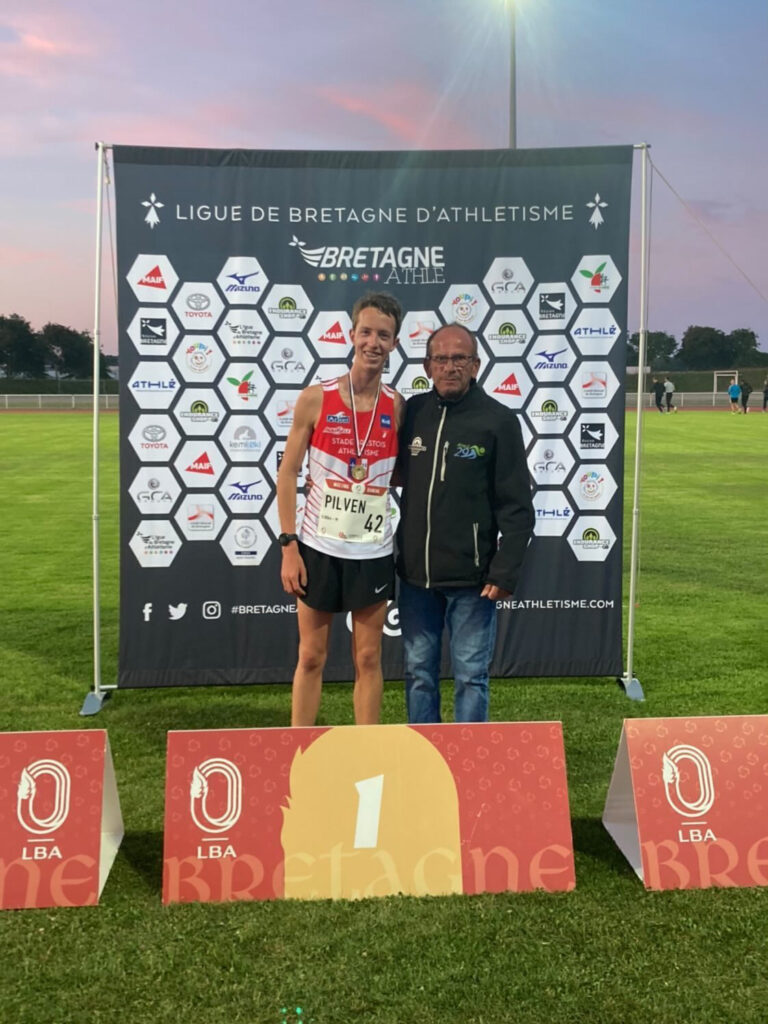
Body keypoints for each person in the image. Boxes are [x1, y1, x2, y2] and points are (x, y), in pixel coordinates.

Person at [395, 323, 535, 724]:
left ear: (476, 365)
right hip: (415, 579)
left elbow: (519, 509)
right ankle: (424, 754)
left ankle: (466, 764)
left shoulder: (498, 421)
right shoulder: (413, 413)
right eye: (442, 358)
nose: (450, 367)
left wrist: (505, 570)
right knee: (418, 673)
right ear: (427, 365)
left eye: (460, 358)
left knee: (471, 677)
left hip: (474, 582)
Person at [277, 293, 404, 726]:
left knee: (368, 657)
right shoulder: (316, 398)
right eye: (366, 332)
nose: (373, 342)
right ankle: (297, 749)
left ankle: (365, 753)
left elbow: (400, 470)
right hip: (317, 547)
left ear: (394, 343)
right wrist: (289, 546)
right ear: (352, 335)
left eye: (383, 335)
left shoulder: (397, 405)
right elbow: (287, 474)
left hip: (372, 552)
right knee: (311, 656)